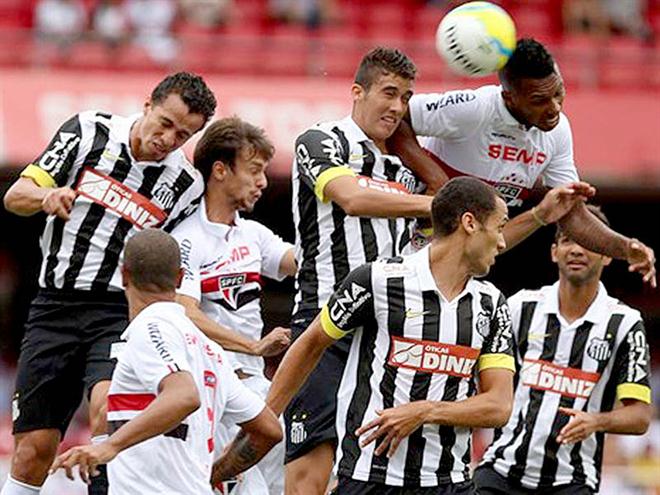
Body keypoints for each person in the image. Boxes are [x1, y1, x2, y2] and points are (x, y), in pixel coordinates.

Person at [216, 177, 528, 493]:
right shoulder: (377, 280)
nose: (503, 242)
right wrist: (264, 422)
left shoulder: (491, 304)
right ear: (469, 223)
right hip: (369, 480)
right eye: (500, 227)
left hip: (449, 483)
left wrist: (425, 411)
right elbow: (310, 343)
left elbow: (499, 406)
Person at [1, 72, 216, 495]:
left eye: (183, 135)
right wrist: (47, 196)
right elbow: (16, 196)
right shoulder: (88, 131)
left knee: (106, 413)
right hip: (54, 306)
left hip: (117, 312)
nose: (168, 139)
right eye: (166, 124)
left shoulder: (187, 186)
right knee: (33, 450)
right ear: (148, 104)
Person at [283, 46, 437, 494]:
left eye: (405, 97)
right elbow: (351, 199)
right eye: (388, 93)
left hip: (387, 335)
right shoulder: (322, 140)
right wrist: (437, 204)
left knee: (375, 473)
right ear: (357, 92)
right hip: (325, 324)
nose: (397, 107)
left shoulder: (407, 165)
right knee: (309, 471)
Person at [391, 38, 656, 286]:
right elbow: (396, 116)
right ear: (509, 97)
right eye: (539, 100)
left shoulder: (557, 131)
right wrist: (436, 180)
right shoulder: (474, 108)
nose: (554, 108)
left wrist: (626, 248)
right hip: (403, 247)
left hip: (458, 266)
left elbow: (571, 214)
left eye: (558, 93)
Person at [50, 229, 282, 494]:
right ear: (180, 278)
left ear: (124, 276)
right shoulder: (211, 351)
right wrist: (212, 476)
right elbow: (269, 430)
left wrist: (109, 446)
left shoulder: (149, 327)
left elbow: (184, 396)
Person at [474, 205, 652, 495]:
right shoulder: (521, 307)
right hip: (501, 470)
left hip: (572, 480)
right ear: (554, 252)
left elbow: (640, 417)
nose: (577, 250)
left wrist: (596, 421)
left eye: (589, 242)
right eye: (568, 240)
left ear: (608, 254)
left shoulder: (625, 323)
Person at [171, 117, 296, 494]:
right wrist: (252, 346)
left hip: (258, 390)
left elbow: (300, 262)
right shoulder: (186, 239)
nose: (262, 182)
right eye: (254, 170)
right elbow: (185, 311)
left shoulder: (253, 235)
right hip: (213, 394)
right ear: (220, 170)